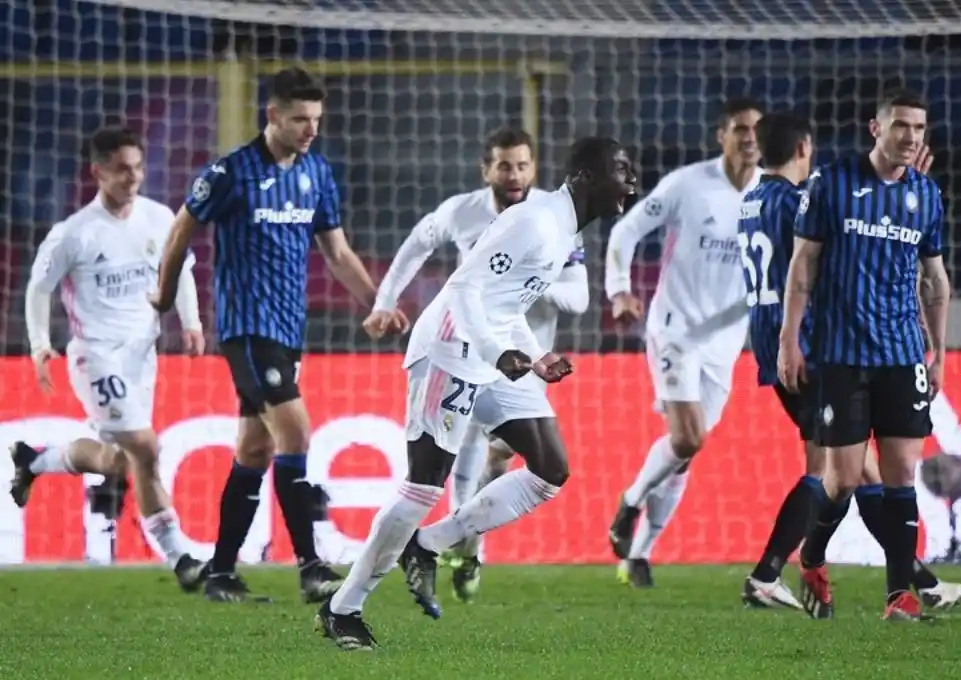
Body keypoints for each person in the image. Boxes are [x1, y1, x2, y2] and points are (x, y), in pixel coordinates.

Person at [315, 137, 636, 651]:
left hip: (493, 354)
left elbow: (505, 305)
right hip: (448, 349)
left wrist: (535, 356)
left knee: (550, 468)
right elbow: (463, 287)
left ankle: (429, 544)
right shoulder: (534, 221)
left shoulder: (559, 228)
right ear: (586, 177)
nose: (632, 180)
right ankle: (342, 608)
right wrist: (494, 351)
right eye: (621, 169)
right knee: (424, 486)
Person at [151, 66, 408, 603]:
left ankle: (221, 573)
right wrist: (164, 294)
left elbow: (336, 252)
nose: (310, 128)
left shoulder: (316, 173)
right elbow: (181, 227)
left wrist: (379, 303)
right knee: (296, 433)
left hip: (290, 332)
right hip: (247, 329)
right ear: (272, 115)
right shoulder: (232, 173)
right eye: (299, 119)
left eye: (316, 119)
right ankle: (311, 565)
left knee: (254, 448)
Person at [739, 112, 961, 617]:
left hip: (770, 336)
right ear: (805, 147)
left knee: (860, 474)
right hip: (811, 343)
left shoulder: (751, 199)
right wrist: (891, 186)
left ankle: (914, 582)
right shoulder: (796, 198)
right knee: (832, 472)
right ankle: (769, 572)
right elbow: (835, 226)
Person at [364, 128, 589, 602]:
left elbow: (579, 296)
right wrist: (386, 300)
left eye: (523, 165)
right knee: (454, 455)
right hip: (463, 349)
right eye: (504, 165)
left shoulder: (550, 219)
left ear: (535, 168)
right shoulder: (460, 211)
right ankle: (444, 553)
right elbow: (416, 243)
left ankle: (466, 546)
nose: (514, 175)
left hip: (523, 357)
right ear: (485, 169)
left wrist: (525, 281)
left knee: (508, 456)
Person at [13, 125, 207, 587]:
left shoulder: (161, 219)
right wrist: (41, 344)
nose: (132, 177)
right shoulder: (73, 234)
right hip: (95, 357)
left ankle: (34, 461)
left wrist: (192, 321)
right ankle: (179, 556)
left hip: (143, 356)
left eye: (138, 167)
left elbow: (179, 271)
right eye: (121, 169)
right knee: (146, 447)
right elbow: (38, 290)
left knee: (124, 461)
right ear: (97, 172)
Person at [605, 98, 764, 587]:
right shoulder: (688, 185)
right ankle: (630, 502)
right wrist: (619, 289)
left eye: (757, 130)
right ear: (722, 135)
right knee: (689, 436)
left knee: (686, 449)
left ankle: (639, 554)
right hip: (674, 328)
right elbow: (626, 230)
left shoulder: (774, 195)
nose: (749, 138)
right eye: (740, 129)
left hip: (726, 342)